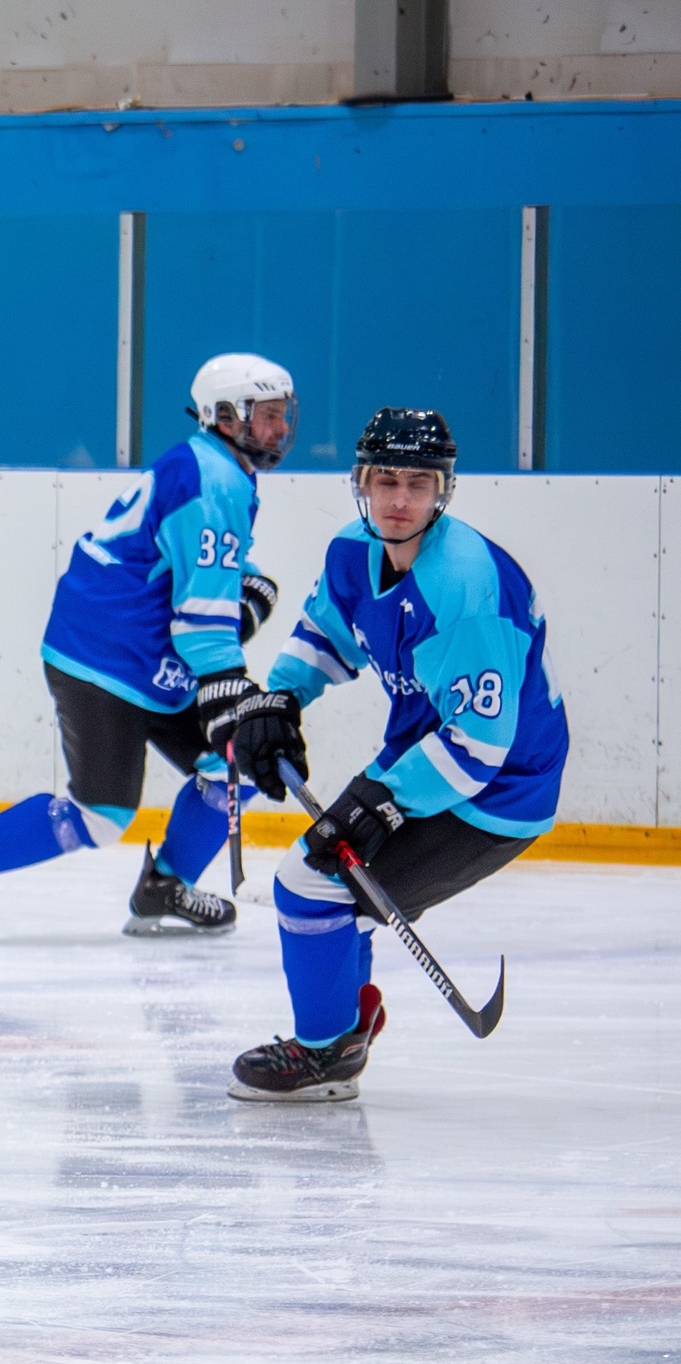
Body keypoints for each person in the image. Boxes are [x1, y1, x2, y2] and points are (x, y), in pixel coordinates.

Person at [225, 408, 566, 1101]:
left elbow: (480, 747)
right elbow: (328, 634)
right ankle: (348, 1023)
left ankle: (326, 1054)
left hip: (501, 788)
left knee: (310, 882)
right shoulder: (353, 551)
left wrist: (384, 797)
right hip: (431, 753)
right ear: (361, 482)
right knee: (332, 884)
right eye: (386, 480)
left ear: (444, 490)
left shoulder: (466, 585)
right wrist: (280, 699)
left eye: (419, 482)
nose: (401, 499)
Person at [0, 354, 295, 942]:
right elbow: (203, 624)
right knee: (101, 816)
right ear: (226, 416)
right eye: (266, 416)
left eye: (283, 415)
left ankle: (164, 886)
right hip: (102, 659)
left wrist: (245, 593)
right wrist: (233, 663)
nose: (280, 430)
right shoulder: (212, 480)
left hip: (150, 656)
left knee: (230, 768)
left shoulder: (214, 467)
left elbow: (195, 559)